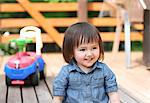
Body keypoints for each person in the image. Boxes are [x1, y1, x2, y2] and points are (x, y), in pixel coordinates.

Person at [53, 22, 120, 103]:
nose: (89, 54)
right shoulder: (66, 72)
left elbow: (113, 94)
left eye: (94, 48)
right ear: (71, 52)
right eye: (83, 49)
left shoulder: (104, 70)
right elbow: (58, 98)